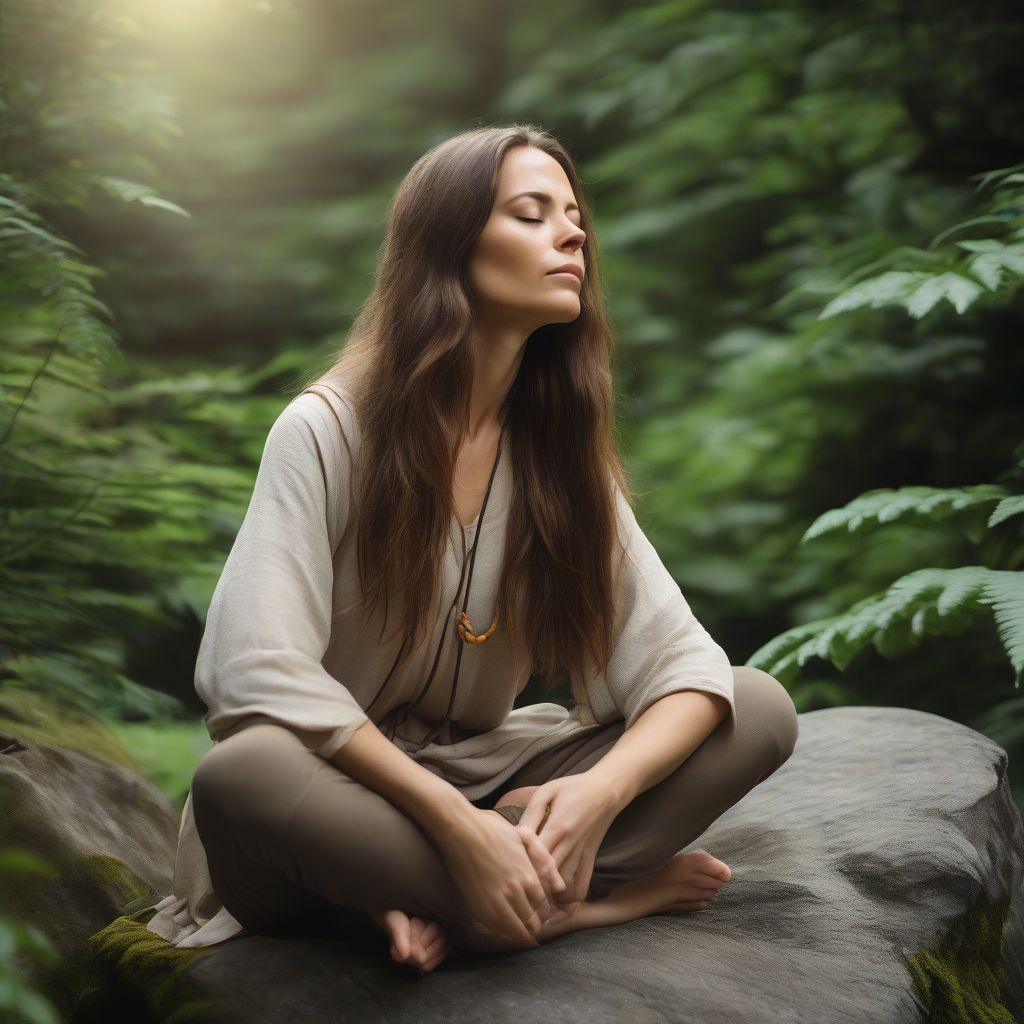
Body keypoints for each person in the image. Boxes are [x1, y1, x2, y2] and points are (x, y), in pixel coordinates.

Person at [144, 123, 799, 975]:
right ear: (448, 248)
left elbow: (684, 666)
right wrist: (452, 825)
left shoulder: (557, 458)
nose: (571, 233)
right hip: (341, 797)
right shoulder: (328, 428)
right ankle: (576, 905)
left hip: (486, 775)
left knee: (755, 707)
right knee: (241, 773)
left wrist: (601, 793)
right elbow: (250, 670)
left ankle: (446, 900)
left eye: (573, 217)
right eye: (532, 213)